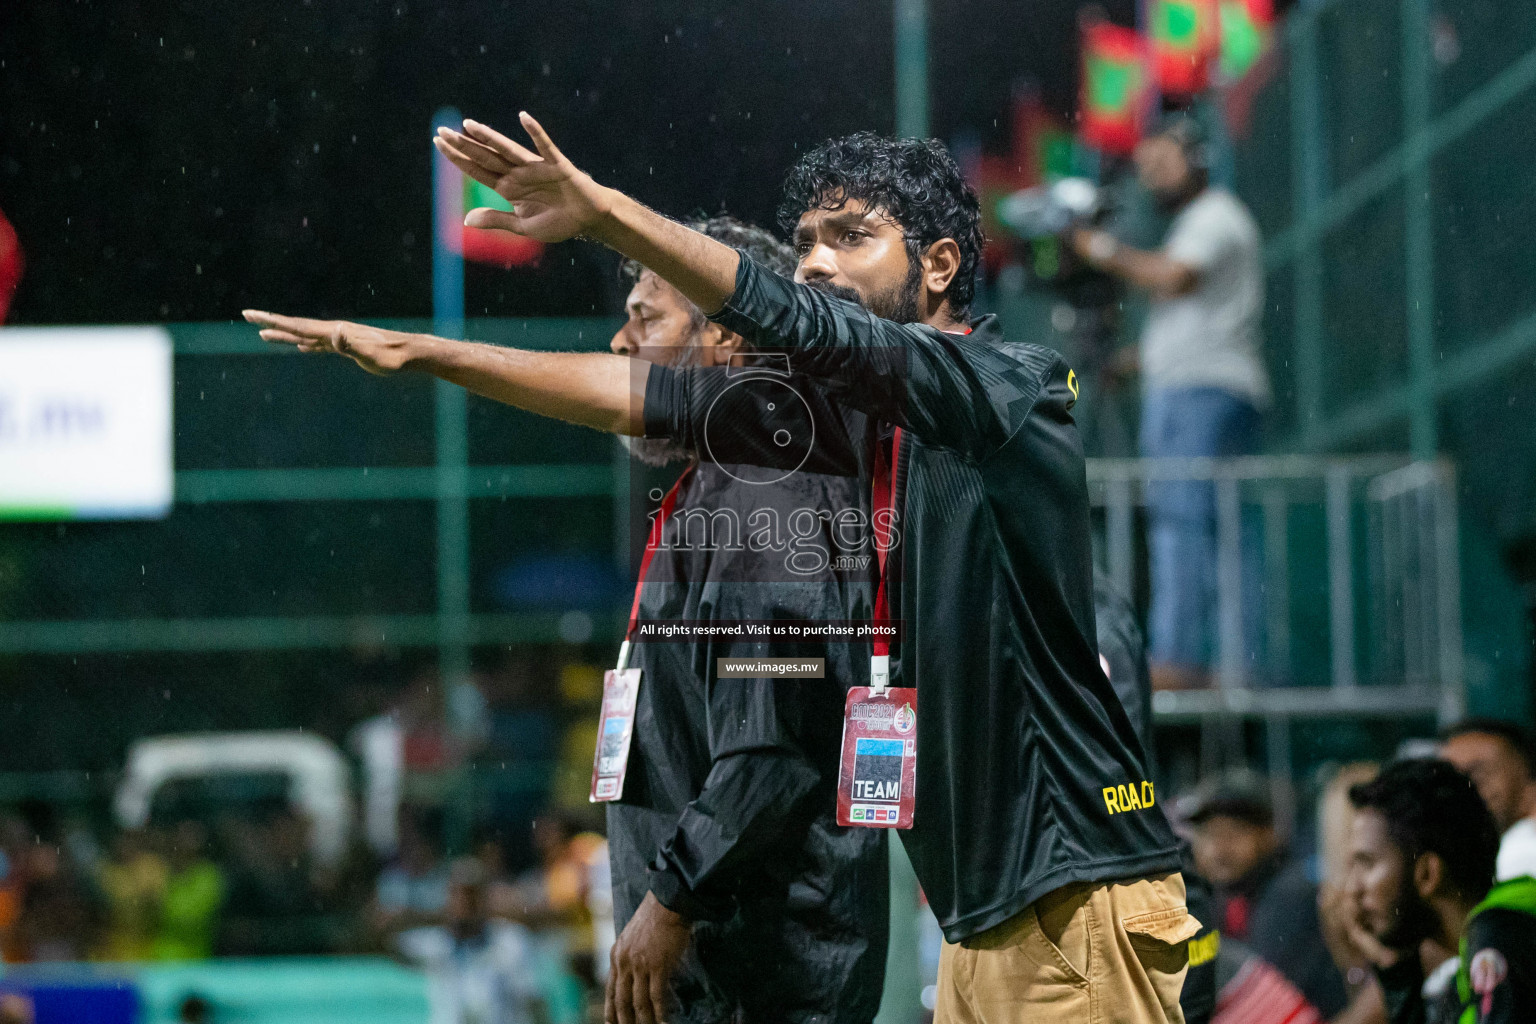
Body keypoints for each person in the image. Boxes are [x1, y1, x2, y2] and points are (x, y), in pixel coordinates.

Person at [247, 113, 1193, 1023]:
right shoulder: (854, 433)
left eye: (852, 237)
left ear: (940, 264)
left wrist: (605, 211)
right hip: (986, 923)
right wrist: (425, 353)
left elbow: (808, 326)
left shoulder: (1010, 387)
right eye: (809, 239)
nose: (818, 260)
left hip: (1078, 899)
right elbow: (639, 395)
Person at [592, 216, 888, 1022]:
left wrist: (670, 903)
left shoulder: (761, 496)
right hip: (726, 975)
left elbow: (770, 751)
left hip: (765, 980)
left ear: (724, 339)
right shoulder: (720, 486)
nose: (620, 344)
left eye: (645, 316)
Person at [1071, 114, 1269, 691]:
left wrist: (1098, 249)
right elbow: (1193, 323)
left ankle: (1180, 656)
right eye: (1147, 169)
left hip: (1199, 394)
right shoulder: (1208, 219)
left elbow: (1174, 278)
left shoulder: (1214, 216)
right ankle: (1240, 662)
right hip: (1215, 388)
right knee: (1224, 529)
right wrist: (1123, 364)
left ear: (1195, 157)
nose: (1153, 178)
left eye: (1162, 163)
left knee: (1181, 523)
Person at [1343, 758, 1536, 1024]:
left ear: (1427, 875)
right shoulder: (1468, 971)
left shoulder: (1498, 937)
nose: (1352, 889)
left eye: (1367, 864)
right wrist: (1396, 970)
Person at [1181, 769, 1347, 1017]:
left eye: (1235, 832)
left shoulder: (1290, 895)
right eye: (1209, 833)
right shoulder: (1219, 896)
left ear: (1268, 835)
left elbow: (1261, 1001)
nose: (1219, 848)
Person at [1438, 719, 1536, 881]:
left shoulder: (1521, 853)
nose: (1460, 789)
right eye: (1446, 780)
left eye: (1477, 774)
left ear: (1529, 780)